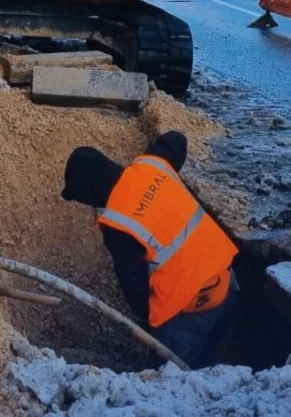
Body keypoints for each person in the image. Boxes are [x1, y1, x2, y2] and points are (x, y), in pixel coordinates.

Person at [61, 132, 240, 368]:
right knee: (213, 354)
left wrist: (152, 329)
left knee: (170, 373)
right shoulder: (152, 164)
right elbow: (177, 139)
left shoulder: (118, 226)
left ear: (91, 194)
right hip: (227, 282)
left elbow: (135, 288)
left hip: (192, 308)